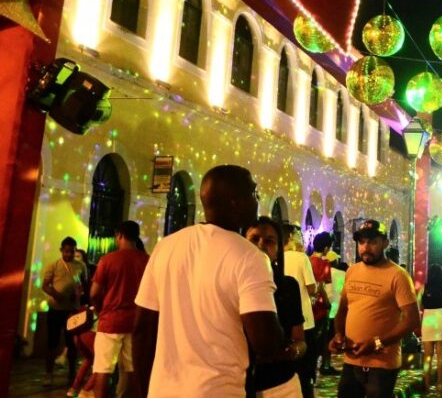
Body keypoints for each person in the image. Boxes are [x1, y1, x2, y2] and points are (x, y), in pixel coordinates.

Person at [133, 165, 284, 398]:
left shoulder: (166, 247)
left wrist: (146, 391)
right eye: (253, 193)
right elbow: (265, 342)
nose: (258, 199)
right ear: (235, 202)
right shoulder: (250, 257)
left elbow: (142, 329)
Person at [329, 219, 420, 398]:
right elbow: (343, 310)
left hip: (382, 364)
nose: (365, 247)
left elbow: (412, 320)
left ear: (385, 243)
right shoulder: (352, 271)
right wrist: (339, 335)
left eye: (372, 242)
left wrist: (377, 342)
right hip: (352, 360)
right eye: (361, 242)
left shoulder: (398, 276)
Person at [246, 216, 306, 398]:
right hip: (238, 385)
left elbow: (300, 340)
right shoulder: (229, 284)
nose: (261, 245)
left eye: (269, 241)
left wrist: (293, 351)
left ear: (278, 250)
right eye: (254, 239)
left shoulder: (288, 286)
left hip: (281, 385)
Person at [89, 221, 149, 398]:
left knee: (102, 369)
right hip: (135, 323)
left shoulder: (107, 260)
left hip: (110, 321)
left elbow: (94, 293)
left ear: (120, 235)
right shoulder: (146, 260)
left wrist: (100, 309)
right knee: (131, 370)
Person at [42, 236, 88, 387]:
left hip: (72, 311)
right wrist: (56, 295)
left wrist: (80, 294)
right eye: (66, 251)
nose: (69, 254)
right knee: (52, 342)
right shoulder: (53, 265)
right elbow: (45, 285)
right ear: (61, 250)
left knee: (72, 343)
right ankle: (48, 374)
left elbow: (84, 285)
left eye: (72, 251)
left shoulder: (81, 266)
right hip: (56, 309)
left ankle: (72, 374)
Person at [284, 226, 318, 398]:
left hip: (282, 320)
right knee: (306, 370)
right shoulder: (301, 257)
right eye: (298, 234)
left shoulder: (275, 258)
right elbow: (311, 287)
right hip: (304, 319)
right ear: (290, 237)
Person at [419, 265, 442, 395]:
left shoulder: (424, 287)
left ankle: (427, 383)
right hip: (441, 318)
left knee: (427, 355)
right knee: (440, 355)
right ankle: (439, 383)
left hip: (428, 319)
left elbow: (419, 304)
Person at [310, 232, 338, 378]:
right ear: (326, 248)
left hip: (309, 307)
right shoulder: (323, 264)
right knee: (322, 339)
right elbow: (321, 285)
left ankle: (311, 370)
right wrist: (327, 303)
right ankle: (320, 369)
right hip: (320, 308)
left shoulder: (308, 260)